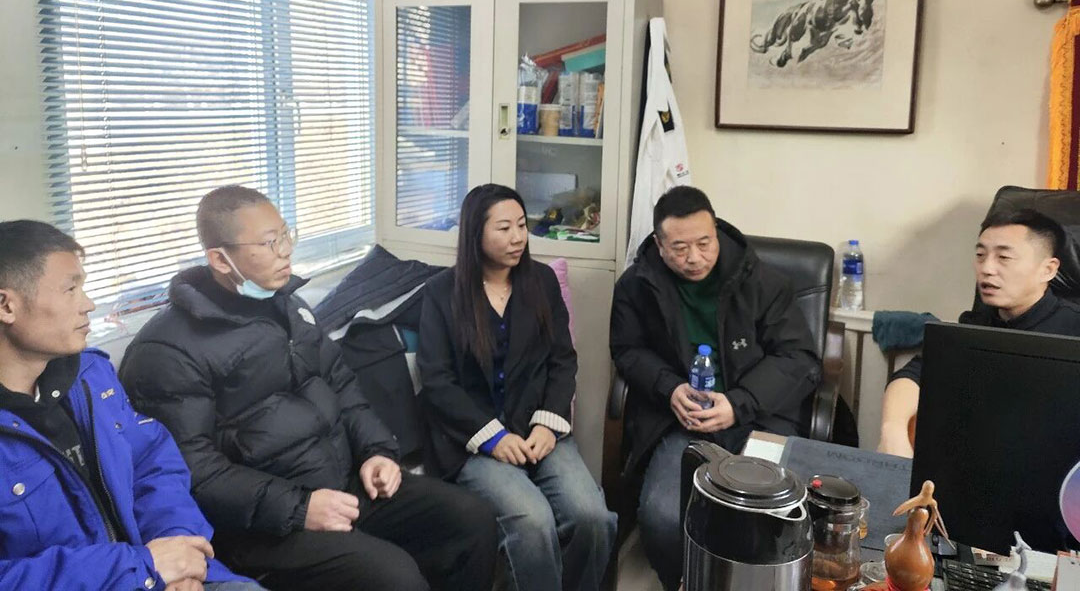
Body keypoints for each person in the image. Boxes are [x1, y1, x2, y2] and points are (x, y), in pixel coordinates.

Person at [119, 186, 497, 591]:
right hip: (261, 526)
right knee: (395, 577)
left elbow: (342, 386)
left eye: (286, 235)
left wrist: (376, 451)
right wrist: (300, 508)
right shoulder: (167, 351)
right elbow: (194, 471)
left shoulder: (290, 306)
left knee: (470, 519)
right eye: (269, 243)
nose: (286, 251)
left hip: (340, 483)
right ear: (220, 259)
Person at [0, 220, 263, 591]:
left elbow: (151, 463)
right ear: (6, 305)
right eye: (71, 289)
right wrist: (142, 567)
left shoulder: (90, 375)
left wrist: (177, 546)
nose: (88, 304)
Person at [610, 185, 822, 591]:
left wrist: (739, 404)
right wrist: (669, 388)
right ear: (659, 245)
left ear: (716, 233)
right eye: (680, 248)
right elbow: (627, 350)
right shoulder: (637, 285)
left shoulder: (761, 281)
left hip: (759, 419)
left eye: (704, 243)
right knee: (663, 516)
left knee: (767, 520)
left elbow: (799, 358)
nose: (694, 257)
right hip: (680, 422)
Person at [417, 184, 616, 591]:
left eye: (522, 226)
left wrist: (547, 424)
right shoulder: (441, 293)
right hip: (473, 442)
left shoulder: (541, 282)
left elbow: (563, 360)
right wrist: (494, 438)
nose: (517, 237)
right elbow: (438, 381)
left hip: (540, 431)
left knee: (592, 517)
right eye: (504, 228)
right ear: (475, 233)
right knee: (532, 521)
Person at [878, 208, 1080, 457]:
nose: (987, 268)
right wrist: (893, 430)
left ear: (1048, 269)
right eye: (980, 255)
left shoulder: (1073, 329)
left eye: (1003, 257)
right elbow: (916, 375)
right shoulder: (976, 323)